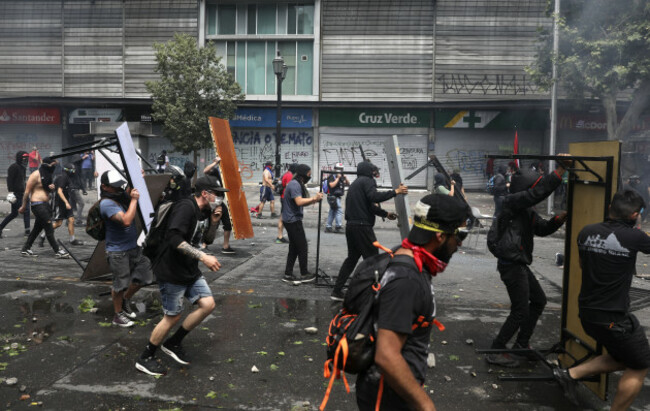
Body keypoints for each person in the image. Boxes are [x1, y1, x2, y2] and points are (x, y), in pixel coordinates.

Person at [356, 194, 470, 410]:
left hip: (392, 391)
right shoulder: (406, 279)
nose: (460, 243)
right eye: (460, 234)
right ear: (439, 236)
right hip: (388, 398)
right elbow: (387, 355)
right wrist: (425, 404)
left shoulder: (405, 256)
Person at [553, 190, 650, 409]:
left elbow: (581, 265)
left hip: (587, 314)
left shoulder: (586, 232)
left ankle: (569, 375)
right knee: (641, 364)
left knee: (622, 357)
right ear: (635, 215)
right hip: (613, 318)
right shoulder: (635, 237)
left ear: (609, 209)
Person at [135, 175, 225, 376]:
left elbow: (207, 239)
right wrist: (203, 257)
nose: (220, 199)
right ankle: (145, 357)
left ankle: (174, 342)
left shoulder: (204, 212)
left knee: (208, 304)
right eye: (217, 195)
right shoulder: (185, 207)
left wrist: (214, 221)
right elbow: (174, 238)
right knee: (172, 316)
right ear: (205, 193)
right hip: (171, 270)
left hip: (189, 269)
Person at [486, 158, 570, 367]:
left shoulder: (526, 210)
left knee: (539, 301)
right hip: (511, 263)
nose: (536, 194)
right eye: (533, 188)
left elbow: (541, 229)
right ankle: (496, 350)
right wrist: (560, 171)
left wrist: (557, 221)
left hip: (518, 263)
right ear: (525, 188)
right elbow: (537, 192)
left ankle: (521, 345)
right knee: (520, 309)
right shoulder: (512, 201)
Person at [330, 161, 408, 301]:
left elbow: (369, 206)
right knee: (374, 260)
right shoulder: (367, 181)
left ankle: (337, 291)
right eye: (373, 171)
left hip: (352, 227)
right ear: (369, 172)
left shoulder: (356, 184)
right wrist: (395, 192)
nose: (374, 174)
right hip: (362, 227)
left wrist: (385, 214)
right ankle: (374, 292)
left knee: (352, 259)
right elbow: (374, 197)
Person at [99, 170, 153, 327]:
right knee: (119, 285)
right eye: (115, 187)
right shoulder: (107, 203)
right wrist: (134, 200)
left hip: (132, 248)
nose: (119, 189)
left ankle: (125, 300)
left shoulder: (119, 196)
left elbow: (128, 191)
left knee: (145, 276)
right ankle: (117, 315)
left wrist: (136, 178)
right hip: (117, 252)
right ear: (105, 187)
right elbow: (126, 221)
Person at [18, 157, 69, 259]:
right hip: (37, 205)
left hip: (45, 205)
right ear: (47, 164)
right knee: (48, 227)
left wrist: (51, 188)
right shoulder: (35, 174)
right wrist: (23, 206)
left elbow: (47, 189)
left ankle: (26, 248)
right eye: (52, 165)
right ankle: (57, 250)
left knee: (37, 229)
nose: (54, 167)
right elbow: (27, 192)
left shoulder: (47, 175)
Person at [281, 164, 323, 285]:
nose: (309, 177)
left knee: (294, 248)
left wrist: (314, 200)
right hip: (292, 220)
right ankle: (304, 273)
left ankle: (288, 274)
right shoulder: (294, 184)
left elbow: (301, 203)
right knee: (302, 246)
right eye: (309, 175)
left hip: (291, 219)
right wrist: (314, 199)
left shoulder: (297, 184)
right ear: (302, 174)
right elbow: (299, 201)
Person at [38, 163, 84, 247]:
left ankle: (72, 239)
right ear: (67, 170)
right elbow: (59, 191)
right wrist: (66, 203)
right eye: (72, 170)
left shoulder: (67, 176)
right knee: (58, 223)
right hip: (59, 203)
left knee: (71, 220)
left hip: (65, 201)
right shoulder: (63, 177)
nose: (73, 172)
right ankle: (42, 235)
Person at [203, 156, 235, 254]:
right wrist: (215, 162)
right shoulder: (214, 172)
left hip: (220, 202)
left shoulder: (224, 173)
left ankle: (225, 246)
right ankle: (204, 245)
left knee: (228, 223)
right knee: (210, 224)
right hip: (211, 202)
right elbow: (205, 170)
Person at [0, 151, 30, 238]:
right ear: (20, 158)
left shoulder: (23, 167)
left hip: (23, 193)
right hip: (17, 194)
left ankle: (27, 231)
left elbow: (22, 181)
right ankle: (27, 232)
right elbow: (9, 180)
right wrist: (11, 192)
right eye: (24, 158)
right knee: (18, 212)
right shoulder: (14, 167)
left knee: (21, 212)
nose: (26, 160)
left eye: (27, 158)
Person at [325, 163, 349, 233]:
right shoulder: (331, 176)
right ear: (335, 169)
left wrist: (345, 178)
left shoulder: (341, 177)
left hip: (337, 197)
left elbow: (347, 183)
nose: (339, 171)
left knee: (332, 211)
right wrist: (338, 178)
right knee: (339, 210)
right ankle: (338, 227)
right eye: (338, 169)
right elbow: (331, 185)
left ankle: (328, 227)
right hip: (332, 196)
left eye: (341, 169)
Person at [275, 163, 296, 244]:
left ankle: (280, 236)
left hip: (283, 197)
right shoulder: (290, 175)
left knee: (283, 216)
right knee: (284, 217)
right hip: (286, 199)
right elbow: (289, 187)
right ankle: (279, 237)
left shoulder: (286, 174)